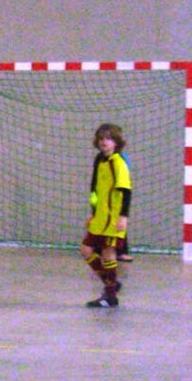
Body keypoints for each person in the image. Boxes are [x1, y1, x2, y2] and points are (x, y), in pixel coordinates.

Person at [81, 123, 132, 308]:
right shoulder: (99, 160)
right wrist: (93, 213)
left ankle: (110, 296)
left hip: (113, 217)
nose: (104, 142)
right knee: (86, 250)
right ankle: (111, 284)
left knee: (108, 253)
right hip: (101, 217)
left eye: (108, 139)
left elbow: (126, 191)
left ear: (116, 142)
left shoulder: (118, 162)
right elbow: (94, 190)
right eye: (101, 139)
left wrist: (123, 217)